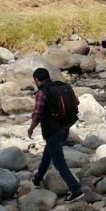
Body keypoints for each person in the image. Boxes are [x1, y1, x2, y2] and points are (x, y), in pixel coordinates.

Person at [27, 68, 84, 202]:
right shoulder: (62, 87)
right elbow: (77, 102)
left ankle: (75, 189)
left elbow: (37, 115)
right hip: (65, 127)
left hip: (52, 130)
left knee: (59, 163)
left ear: (36, 79)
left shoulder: (42, 93)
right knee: (48, 153)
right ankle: (38, 178)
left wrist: (30, 129)